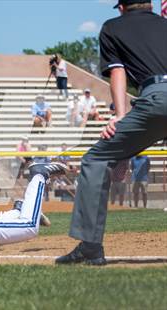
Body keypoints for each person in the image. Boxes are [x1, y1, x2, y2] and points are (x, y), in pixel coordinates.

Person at [57, 0, 167, 266]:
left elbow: (118, 72)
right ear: (150, 5)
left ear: (121, 7)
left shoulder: (112, 27)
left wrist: (119, 115)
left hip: (157, 99)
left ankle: (91, 248)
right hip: (157, 101)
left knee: (95, 159)